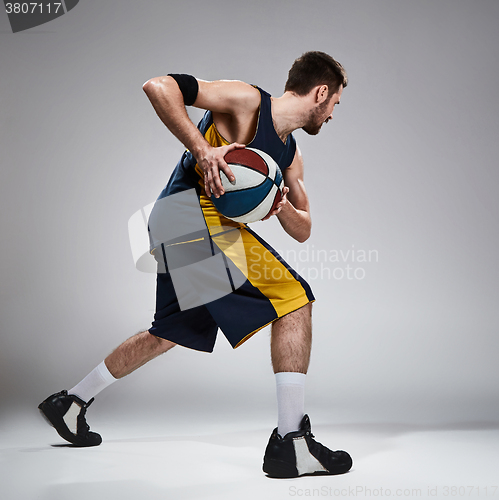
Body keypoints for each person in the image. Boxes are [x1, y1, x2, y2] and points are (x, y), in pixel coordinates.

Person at [38, 51, 352, 478]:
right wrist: (202, 149)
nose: (333, 113)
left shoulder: (291, 156)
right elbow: (159, 85)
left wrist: (279, 207)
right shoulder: (246, 102)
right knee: (294, 300)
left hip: (175, 224)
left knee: (169, 333)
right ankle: (292, 443)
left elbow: (304, 229)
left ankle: (70, 403)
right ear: (321, 92)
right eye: (335, 102)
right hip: (188, 216)